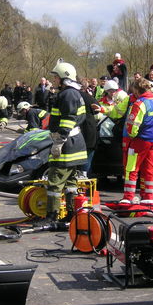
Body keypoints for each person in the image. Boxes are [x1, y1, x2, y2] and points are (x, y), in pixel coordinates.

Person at [40, 59, 87, 224]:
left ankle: (51, 217)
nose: (54, 80)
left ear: (64, 77)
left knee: (55, 181)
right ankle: (72, 215)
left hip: (67, 144)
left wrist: (59, 141)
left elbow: (68, 119)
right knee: (70, 182)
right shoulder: (74, 93)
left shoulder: (67, 94)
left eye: (56, 77)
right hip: (74, 143)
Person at [120, 78, 153, 203]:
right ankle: (148, 197)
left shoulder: (139, 103)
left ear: (137, 90)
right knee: (149, 170)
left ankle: (128, 197)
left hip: (140, 140)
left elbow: (132, 126)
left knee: (132, 169)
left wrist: (131, 136)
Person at [78, 78, 100, 177]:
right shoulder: (88, 97)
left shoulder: (71, 96)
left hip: (76, 132)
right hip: (89, 131)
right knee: (87, 159)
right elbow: (97, 109)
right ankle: (85, 181)